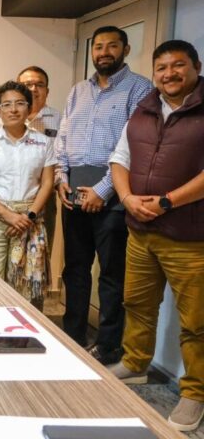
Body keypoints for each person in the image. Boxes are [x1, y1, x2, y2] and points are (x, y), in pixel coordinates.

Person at [108, 40, 204, 432]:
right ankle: (135, 363)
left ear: (196, 66)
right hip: (141, 230)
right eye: (161, 67)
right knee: (137, 303)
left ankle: (195, 392)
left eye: (178, 65)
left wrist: (166, 202)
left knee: (196, 320)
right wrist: (128, 198)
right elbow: (120, 159)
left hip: (189, 235)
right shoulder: (144, 109)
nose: (169, 74)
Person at [56, 25, 153, 364]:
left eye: (112, 46)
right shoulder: (78, 91)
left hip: (112, 193)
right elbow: (63, 140)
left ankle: (109, 346)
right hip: (72, 192)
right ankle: (72, 336)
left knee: (111, 275)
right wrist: (60, 178)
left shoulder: (140, 89)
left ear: (126, 50)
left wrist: (102, 191)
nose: (104, 52)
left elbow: (136, 148)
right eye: (98, 47)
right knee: (75, 269)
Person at [0, 81, 56, 309]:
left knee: (28, 288)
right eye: (6, 105)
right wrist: (7, 215)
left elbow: (47, 183)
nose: (13, 109)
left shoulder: (43, 142)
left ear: (29, 108)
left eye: (20, 103)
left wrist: (28, 217)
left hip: (31, 221)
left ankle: (25, 336)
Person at [17, 65, 61, 253]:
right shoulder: (7, 117)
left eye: (39, 85)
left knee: (40, 254)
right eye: (27, 84)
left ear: (47, 91)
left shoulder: (60, 119)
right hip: (10, 196)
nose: (33, 89)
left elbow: (63, 158)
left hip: (45, 198)